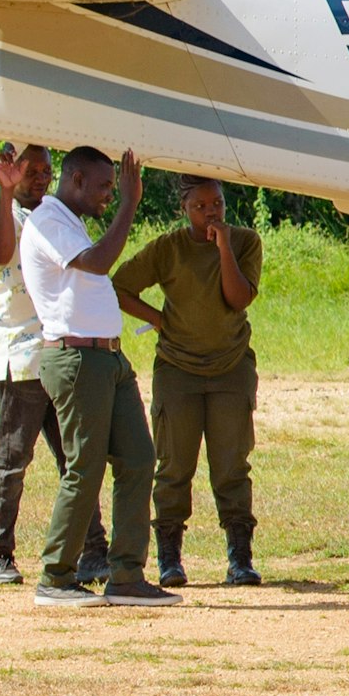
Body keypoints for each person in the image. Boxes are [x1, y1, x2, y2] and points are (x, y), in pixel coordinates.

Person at [18, 145, 174, 607]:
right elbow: (98, 263)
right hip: (76, 358)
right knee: (84, 467)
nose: (110, 194)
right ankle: (56, 576)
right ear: (77, 181)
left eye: (114, 187)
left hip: (107, 359)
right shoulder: (46, 220)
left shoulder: (72, 222)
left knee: (139, 459)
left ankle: (126, 575)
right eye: (104, 186)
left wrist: (122, 202)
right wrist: (129, 203)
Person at [115, 176, 265, 589]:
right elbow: (120, 286)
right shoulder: (168, 248)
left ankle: (240, 558)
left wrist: (223, 248)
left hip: (230, 367)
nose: (211, 212)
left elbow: (238, 298)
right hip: (178, 370)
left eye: (216, 203)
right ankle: (169, 558)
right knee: (174, 465)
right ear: (184, 209)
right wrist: (158, 320)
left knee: (231, 465)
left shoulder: (245, 241)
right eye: (200, 207)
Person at [0, 145, 105, 591]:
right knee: (12, 459)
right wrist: (7, 196)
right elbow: (1, 255)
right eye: (32, 170)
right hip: (20, 356)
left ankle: (93, 550)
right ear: (13, 169)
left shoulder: (58, 213)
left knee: (75, 457)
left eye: (48, 170)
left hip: (60, 350)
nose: (41, 178)